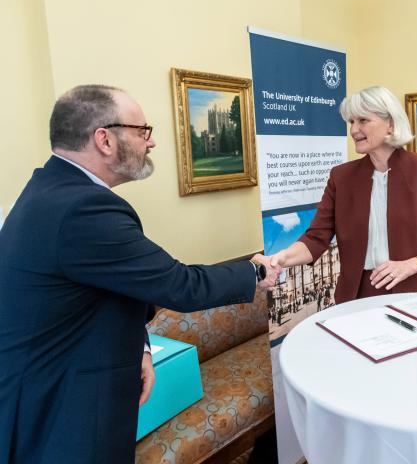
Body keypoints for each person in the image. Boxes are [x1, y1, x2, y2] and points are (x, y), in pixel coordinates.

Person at [0, 84, 279, 464]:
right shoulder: (84, 208)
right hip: (63, 412)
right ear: (104, 139)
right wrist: (253, 271)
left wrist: (140, 346)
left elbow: (113, 285)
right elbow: (178, 285)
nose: (151, 143)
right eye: (142, 130)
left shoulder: (51, 188)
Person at [268, 86, 417, 304]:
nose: (353, 129)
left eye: (363, 120)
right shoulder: (341, 177)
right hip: (359, 295)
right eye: (351, 122)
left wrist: (412, 265)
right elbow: (316, 238)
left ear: (390, 124)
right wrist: (282, 258)